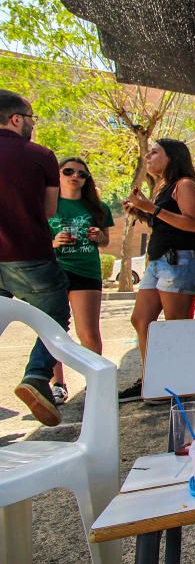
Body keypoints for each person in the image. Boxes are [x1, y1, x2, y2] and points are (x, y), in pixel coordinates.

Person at [119, 139, 195, 402]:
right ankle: (154, 378)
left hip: (182, 259)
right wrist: (142, 213)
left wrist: (152, 208)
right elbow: (164, 223)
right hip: (159, 260)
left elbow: (193, 223)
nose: (148, 156)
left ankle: (182, 382)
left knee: (175, 323)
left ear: (172, 157)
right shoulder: (162, 187)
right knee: (141, 319)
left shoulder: (185, 185)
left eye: (155, 152)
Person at [0, 90, 71, 426]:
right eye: (31, 119)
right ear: (16, 118)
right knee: (54, 313)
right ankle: (37, 376)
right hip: (27, 253)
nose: (32, 125)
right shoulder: (40, 155)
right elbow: (50, 209)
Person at [47, 157, 114, 404]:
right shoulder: (46, 205)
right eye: (68, 171)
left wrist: (99, 236)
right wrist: (54, 242)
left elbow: (106, 240)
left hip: (86, 270)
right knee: (54, 329)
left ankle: (94, 383)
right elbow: (34, 239)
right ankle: (57, 385)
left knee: (88, 331)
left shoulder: (98, 207)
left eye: (81, 174)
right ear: (59, 175)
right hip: (55, 270)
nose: (75, 176)